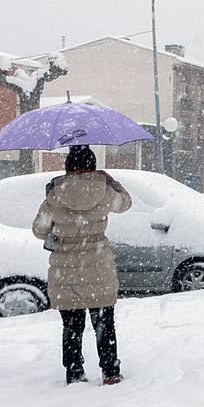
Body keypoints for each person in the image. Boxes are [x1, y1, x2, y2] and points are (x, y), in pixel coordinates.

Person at [32, 144, 132, 385]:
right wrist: (112, 182)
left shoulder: (55, 195)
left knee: (72, 326)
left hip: (64, 270)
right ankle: (110, 372)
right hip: (98, 265)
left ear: (68, 166)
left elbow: (38, 230)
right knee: (104, 324)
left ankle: (75, 372)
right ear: (93, 166)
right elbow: (126, 203)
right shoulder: (105, 192)